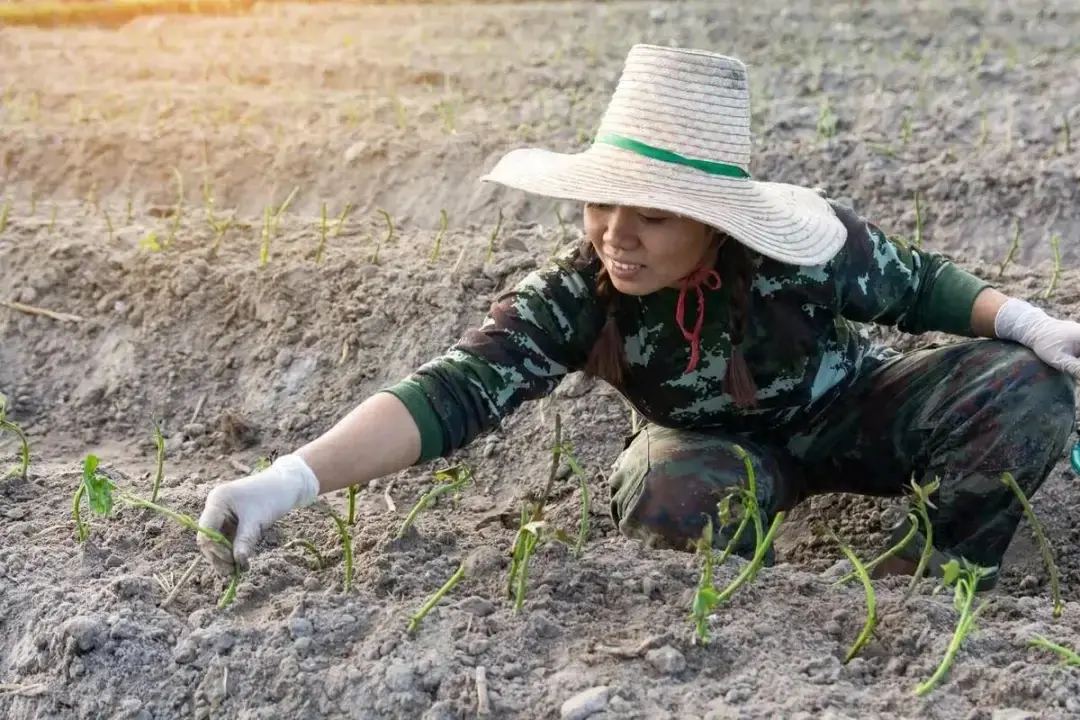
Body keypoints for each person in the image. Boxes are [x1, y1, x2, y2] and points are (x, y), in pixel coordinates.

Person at [196, 45, 1079, 592]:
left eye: (650, 216)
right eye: (601, 206)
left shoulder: (805, 245)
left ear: (713, 221)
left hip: (851, 409)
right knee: (671, 497)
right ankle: (753, 597)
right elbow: (452, 393)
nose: (616, 236)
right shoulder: (580, 292)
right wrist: (287, 483)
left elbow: (921, 285)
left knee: (1027, 389)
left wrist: (1030, 324)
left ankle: (921, 575)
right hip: (712, 451)